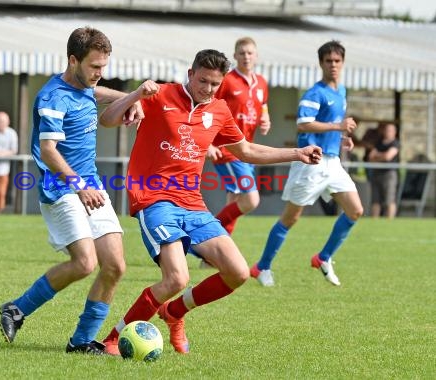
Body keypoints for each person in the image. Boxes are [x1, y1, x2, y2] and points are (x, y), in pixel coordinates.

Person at [97, 49, 321, 355]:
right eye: (203, 81)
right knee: (176, 278)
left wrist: (297, 153)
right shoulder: (159, 95)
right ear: (190, 74)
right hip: (154, 199)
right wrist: (135, 94)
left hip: (193, 204)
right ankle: (113, 339)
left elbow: (247, 152)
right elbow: (107, 120)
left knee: (238, 272)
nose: (208, 89)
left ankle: (175, 312)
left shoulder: (218, 110)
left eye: (215, 84)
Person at [0, 26, 141, 355]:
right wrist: (78, 185)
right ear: (73, 60)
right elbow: (48, 150)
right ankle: (15, 310)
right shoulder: (52, 97)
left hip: (89, 184)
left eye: (103, 67)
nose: (99, 74)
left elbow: (97, 93)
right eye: (94, 67)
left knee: (116, 266)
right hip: (61, 187)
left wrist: (131, 98)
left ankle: (80, 342)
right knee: (84, 263)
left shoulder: (85, 85)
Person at [250, 40, 363, 287]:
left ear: (343, 63)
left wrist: (344, 138)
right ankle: (262, 267)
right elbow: (303, 124)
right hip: (310, 163)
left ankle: (323, 257)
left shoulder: (341, 92)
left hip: (332, 162)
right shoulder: (315, 93)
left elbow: (334, 124)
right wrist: (338, 126)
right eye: (328, 61)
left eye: (337, 61)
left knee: (355, 210)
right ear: (321, 63)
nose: (333, 65)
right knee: (290, 218)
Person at [208, 37, 271, 236]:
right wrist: (209, 143)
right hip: (227, 149)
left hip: (247, 149)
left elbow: (263, 105)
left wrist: (266, 119)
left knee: (234, 199)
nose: (246, 57)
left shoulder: (261, 82)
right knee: (251, 199)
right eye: (242, 53)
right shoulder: (226, 80)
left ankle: (215, 253)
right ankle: (207, 235)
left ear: (256, 56)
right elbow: (208, 107)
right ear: (235, 56)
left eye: (250, 53)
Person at [368, 122, 400, 218]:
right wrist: (382, 156)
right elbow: (370, 157)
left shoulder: (395, 143)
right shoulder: (379, 143)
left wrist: (378, 156)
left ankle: (390, 221)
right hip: (377, 173)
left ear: (394, 132)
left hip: (389, 174)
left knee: (389, 199)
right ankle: (374, 221)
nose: (387, 132)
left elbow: (388, 157)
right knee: (375, 200)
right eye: (386, 130)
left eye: (390, 130)